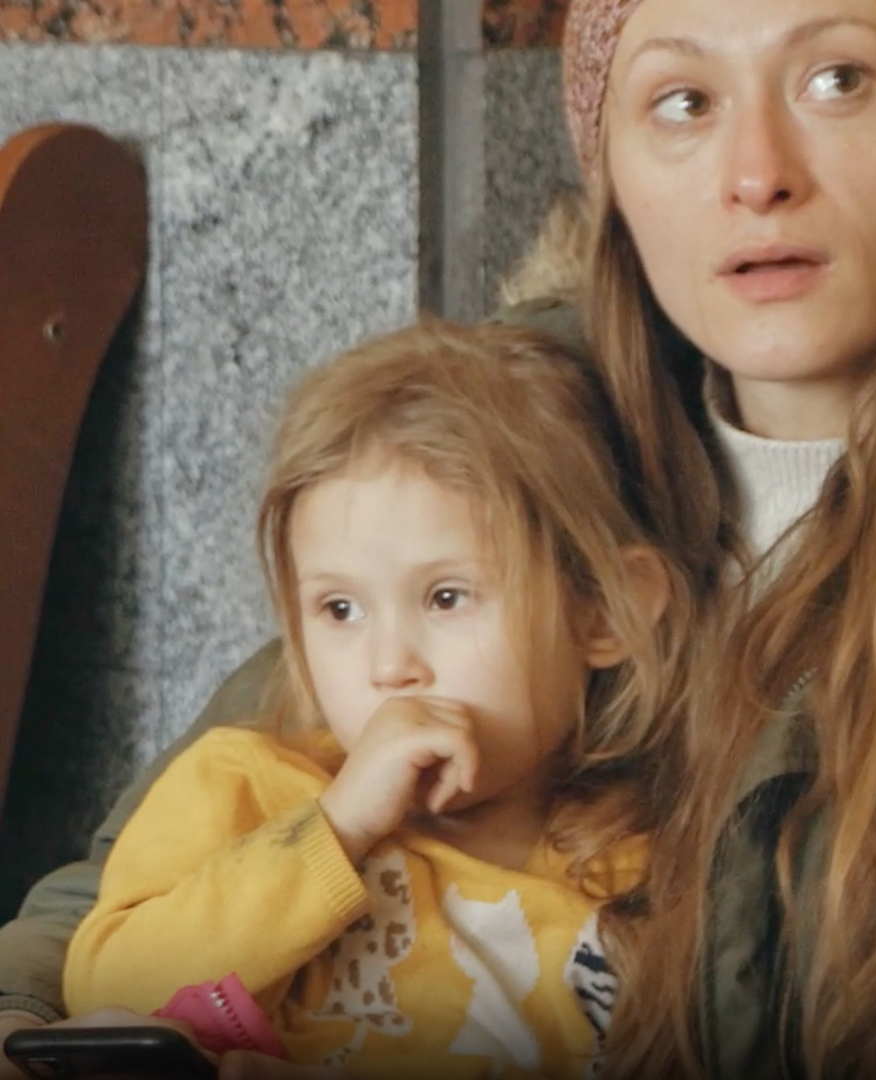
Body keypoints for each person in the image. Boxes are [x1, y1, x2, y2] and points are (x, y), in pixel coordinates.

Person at [1, 0, 876, 1076]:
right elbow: (92, 925)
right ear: (611, 171)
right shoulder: (511, 436)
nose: (758, 174)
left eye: (836, 80)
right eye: (683, 100)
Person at [60, 318, 700, 1079]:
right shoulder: (244, 790)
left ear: (602, 612)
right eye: (340, 610)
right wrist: (337, 829)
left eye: (447, 597)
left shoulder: (651, 864)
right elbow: (106, 994)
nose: (390, 666)